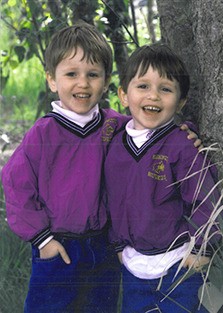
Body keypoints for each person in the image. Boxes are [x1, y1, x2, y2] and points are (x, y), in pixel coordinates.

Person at [1, 22, 201, 313]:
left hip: (104, 246)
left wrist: (187, 131)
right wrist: (42, 239)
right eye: (71, 74)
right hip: (59, 246)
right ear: (51, 80)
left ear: (106, 81)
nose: (83, 83)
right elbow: (15, 184)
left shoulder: (113, 125)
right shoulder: (43, 134)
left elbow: (152, 130)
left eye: (93, 75)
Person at [104, 44, 220, 313]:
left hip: (179, 264)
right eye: (142, 86)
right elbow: (111, 198)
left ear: (180, 102)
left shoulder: (182, 145)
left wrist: (201, 249)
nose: (153, 96)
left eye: (165, 89)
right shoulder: (115, 144)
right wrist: (118, 243)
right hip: (133, 265)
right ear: (123, 94)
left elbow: (206, 199)